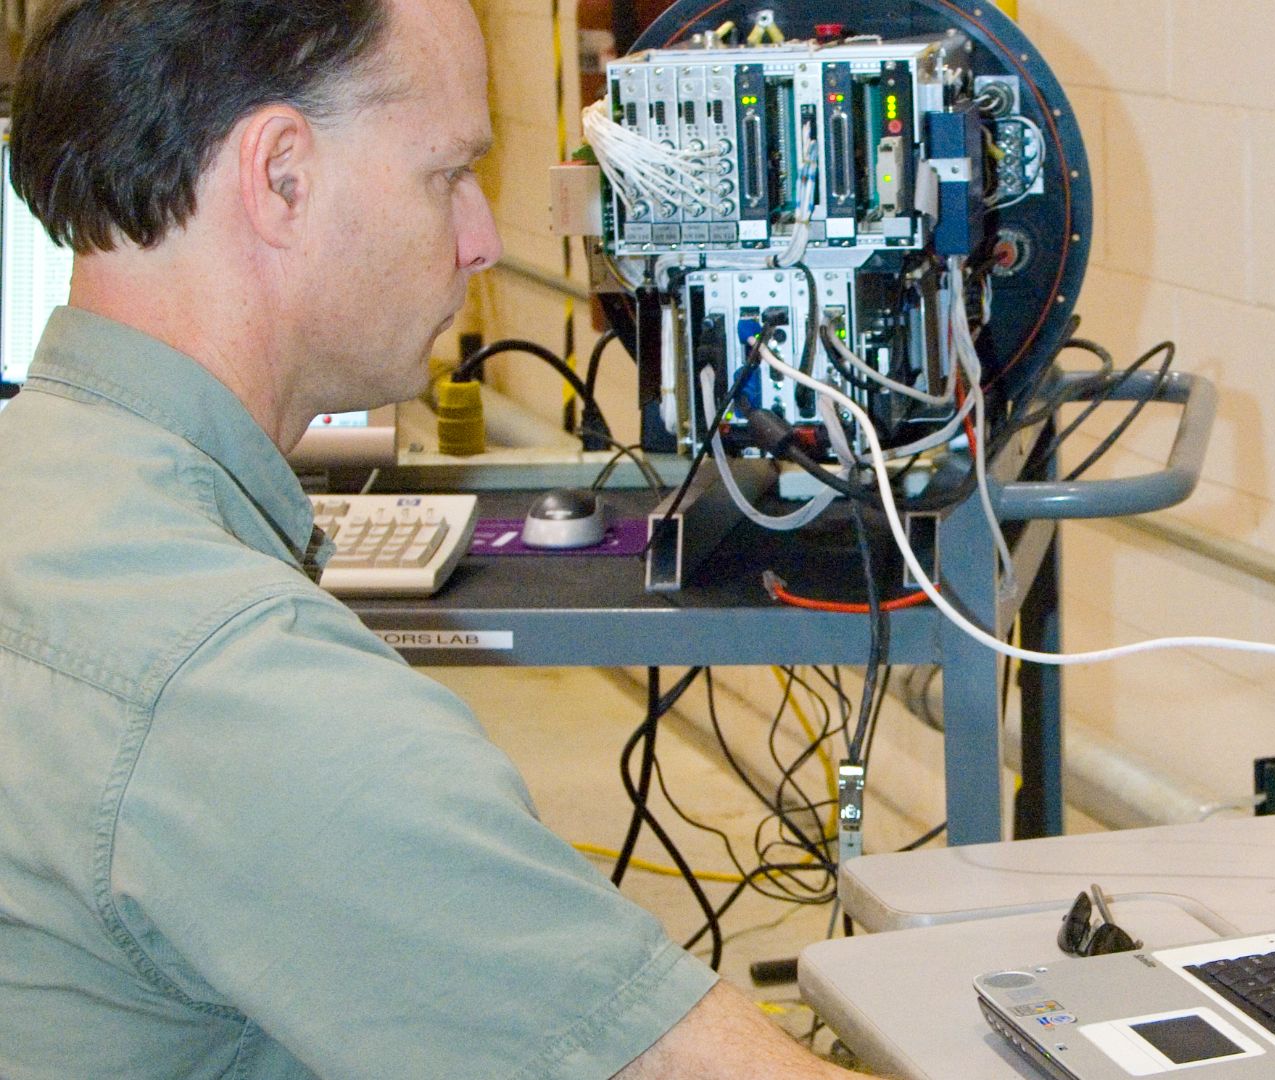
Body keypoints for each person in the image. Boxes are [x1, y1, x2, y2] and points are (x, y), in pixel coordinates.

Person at [0, 1, 874, 1076]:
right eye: (447, 174)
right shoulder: (233, 681)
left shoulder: (44, 506)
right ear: (281, 176)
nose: (483, 239)